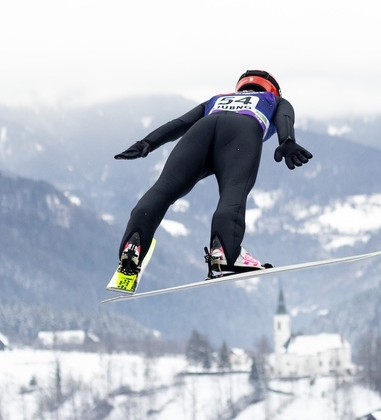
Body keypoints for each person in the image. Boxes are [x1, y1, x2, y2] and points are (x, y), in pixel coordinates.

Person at [108, 70, 312, 291]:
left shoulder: (217, 99)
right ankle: (225, 251)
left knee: (163, 189)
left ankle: (133, 244)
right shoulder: (273, 99)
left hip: (201, 131)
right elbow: (284, 117)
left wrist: (147, 143)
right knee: (234, 190)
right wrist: (287, 140)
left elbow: (179, 123)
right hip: (242, 132)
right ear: (273, 89)